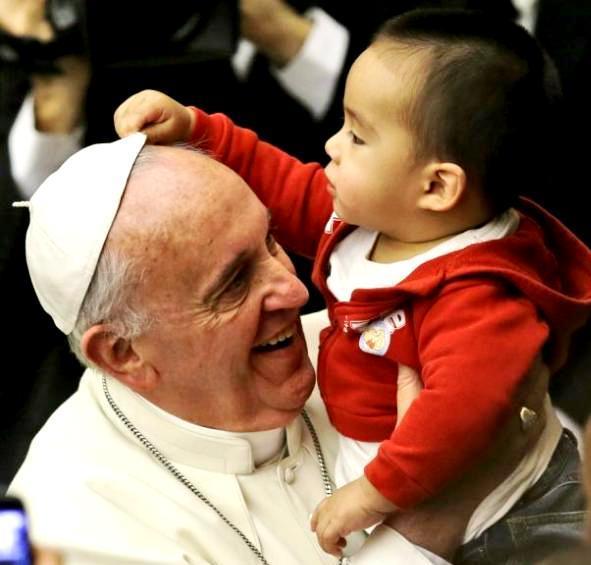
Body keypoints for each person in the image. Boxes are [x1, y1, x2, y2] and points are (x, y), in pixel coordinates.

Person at [114, 8, 591, 562]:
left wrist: (375, 492)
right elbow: (288, 187)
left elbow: (462, 413)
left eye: (359, 136)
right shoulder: (378, 222)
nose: (333, 146)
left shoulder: (478, 296)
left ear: (437, 185)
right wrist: (201, 131)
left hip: (503, 514)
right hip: (394, 464)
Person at [8, 133, 549, 564]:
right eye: (234, 283)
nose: (295, 289)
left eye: (270, 241)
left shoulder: (365, 345)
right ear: (123, 354)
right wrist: (424, 524)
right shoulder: (70, 526)